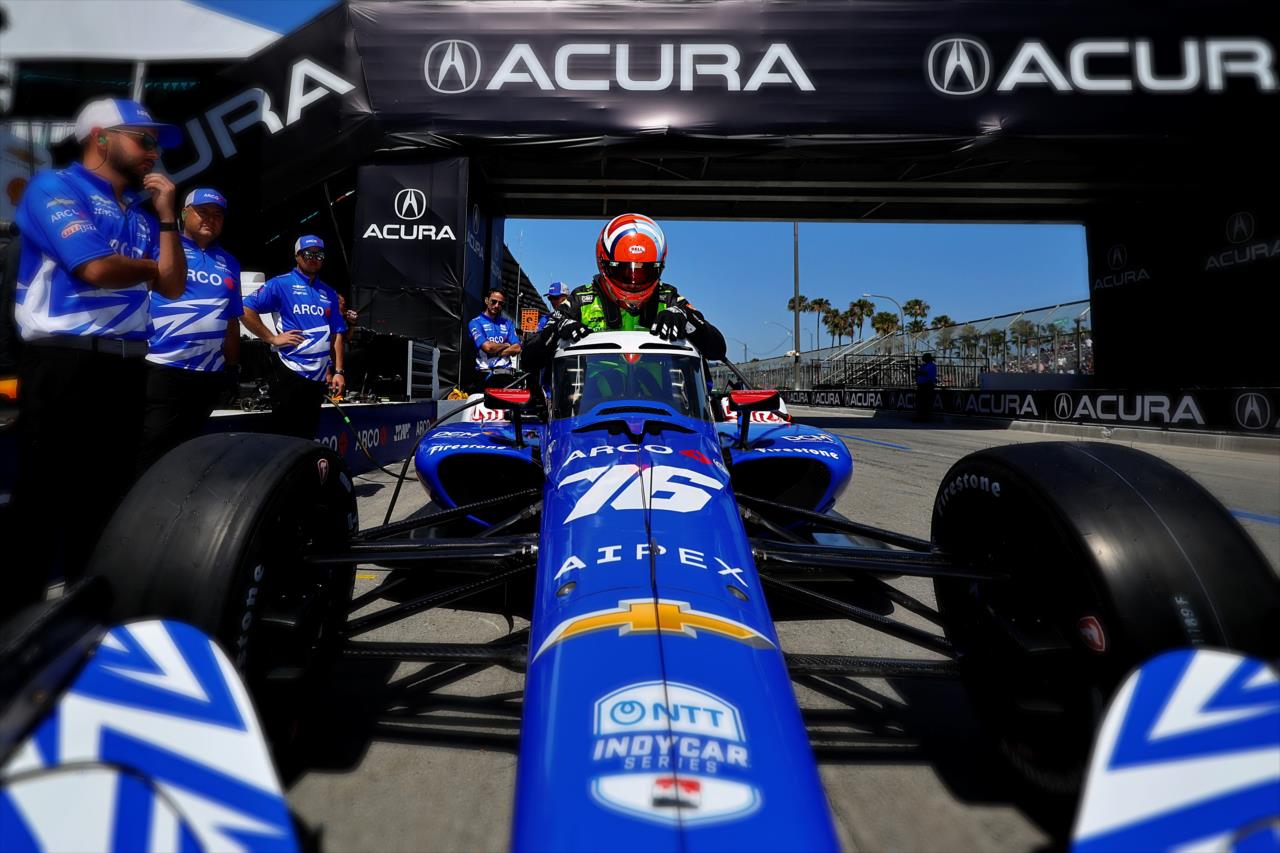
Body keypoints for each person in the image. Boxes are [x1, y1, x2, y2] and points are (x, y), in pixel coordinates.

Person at [8, 96, 185, 613]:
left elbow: (173, 284)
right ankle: (13, 627)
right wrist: (149, 268)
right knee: (41, 502)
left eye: (158, 143)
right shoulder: (54, 186)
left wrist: (169, 217)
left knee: (105, 505)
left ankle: (84, 623)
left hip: (126, 365)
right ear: (100, 137)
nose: (154, 152)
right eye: (144, 139)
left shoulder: (141, 211)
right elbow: (96, 269)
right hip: (65, 362)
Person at [523, 213, 726, 372]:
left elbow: (717, 349)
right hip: (587, 411)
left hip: (663, 410)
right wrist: (555, 330)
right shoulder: (581, 301)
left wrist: (687, 320)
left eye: (644, 272)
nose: (633, 282)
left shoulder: (669, 298)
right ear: (604, 264)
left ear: (660, 266)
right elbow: (527, 360)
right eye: (623, 271)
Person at [137, 187, 242, 473]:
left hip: (208, 375)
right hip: (162, 367)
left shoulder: (230, 262)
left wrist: (232, 369)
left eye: (218, 215)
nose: (211, 218)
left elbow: (232, 320)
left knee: (188, 449)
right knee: (152, 447)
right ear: (184, 213)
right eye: (203, 212)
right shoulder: (161, 246)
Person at [240, 235, 346, 439]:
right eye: (309, 253)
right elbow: (245, 308)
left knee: (308, 433)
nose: (314, 258)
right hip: (288, 370)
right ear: (297, 256)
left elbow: (336, 335)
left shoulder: (329, 293)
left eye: (319, 254)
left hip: (317, 376)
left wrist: (338, 371)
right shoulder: (281, 284)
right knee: (284, 434)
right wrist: (271, 338)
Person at [468, 287, 521, 389]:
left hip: (505, 376)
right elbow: (488, 348)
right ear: (486, 300)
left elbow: (517, 348)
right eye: (493, 302)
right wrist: (506, 344)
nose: (496, 305)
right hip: (484, 375)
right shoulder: (475, 322)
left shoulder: (508, 323)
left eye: (500, 303)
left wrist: (499, 352)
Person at [914, 352, 937, 423]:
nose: (923, 359)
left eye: (924, 358)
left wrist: (920, 372)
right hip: (921, 385)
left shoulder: (932, 365)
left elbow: (926, 373)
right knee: (920, 401)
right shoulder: (923, 365)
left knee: (926, 402)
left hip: (927, 385)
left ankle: (926, 417)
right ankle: (920, 416)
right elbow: (919, 373)